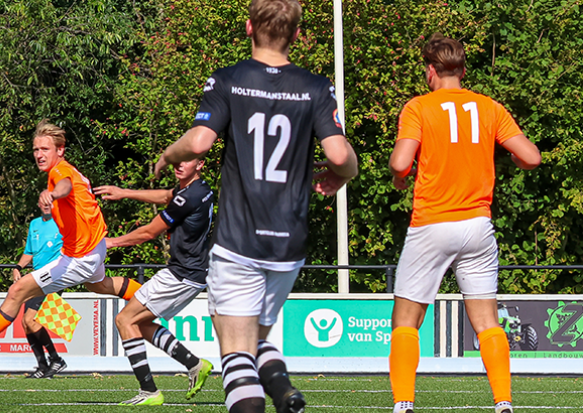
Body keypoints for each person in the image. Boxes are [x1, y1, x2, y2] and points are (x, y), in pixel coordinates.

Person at [152, 0, 359, 411]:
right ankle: (282, 387)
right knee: (259, 339)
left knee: (235, 353)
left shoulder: (229, 79)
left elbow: (199, 142)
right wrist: (345, 174)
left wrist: (168, 155)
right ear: (296, 35)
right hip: (288, 243)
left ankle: (271, 390)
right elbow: (339, 155)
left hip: (239, 238)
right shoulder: (316, 86)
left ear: (249, 27)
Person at [387, 34, 540, 413]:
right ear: (464, 70)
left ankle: (404, 404)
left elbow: (399, 162)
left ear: (431, 70)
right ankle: (503, 402)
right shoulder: (489, 107)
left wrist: (400, 178)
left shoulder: (419, 107)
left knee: (406, 320)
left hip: (432, 222)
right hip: (477, 225)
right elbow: (531, 157)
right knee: (487, 321)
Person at [0, 119, 143, 361]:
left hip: (79, 257)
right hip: (93, 247)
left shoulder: (60, 172)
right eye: (36, 149)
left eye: (45, 149)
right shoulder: (66, 173)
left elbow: (65, 186)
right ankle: (150, 296)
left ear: (60, 151)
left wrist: (53, 194)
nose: (38, 154)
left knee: (17, 291)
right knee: (98, 285)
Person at [94, 159, 215, 406]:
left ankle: (149, 391)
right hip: (191, 273)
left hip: (181, 274)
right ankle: (194, 364)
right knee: (140, 322)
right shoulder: (198, 189)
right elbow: (165, 196)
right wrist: (124, 192)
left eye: (186, 159)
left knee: (124, 319)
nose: (178, 164)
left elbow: (150, 232)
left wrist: (110, 242)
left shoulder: (188, 197)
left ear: (200, 163)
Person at [12, 202, 66, 378]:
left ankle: (56, 359)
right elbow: (29, 252)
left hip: (54, 277)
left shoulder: (62, 222)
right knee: (26, 323)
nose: (46, 206)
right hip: (37, 277)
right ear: (38, 205)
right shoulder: (35, 224)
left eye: (50, 203)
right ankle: (42, 365)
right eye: (43, 203)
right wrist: (18, 267)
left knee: (31, 320)